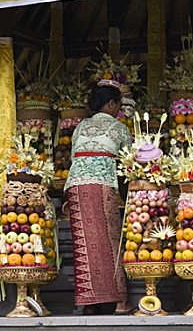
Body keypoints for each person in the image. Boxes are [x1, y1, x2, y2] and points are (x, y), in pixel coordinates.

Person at [63, 80, 132, 315]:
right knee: (111, 241)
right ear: (111, 103)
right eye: (118, 105)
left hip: (76, 187)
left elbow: (74, 158)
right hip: (103, 185)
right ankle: (119, 301)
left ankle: (89, 302)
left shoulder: (80, 127)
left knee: (84, 245)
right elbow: (129, 165)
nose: (118, 110)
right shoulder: (120, 128)